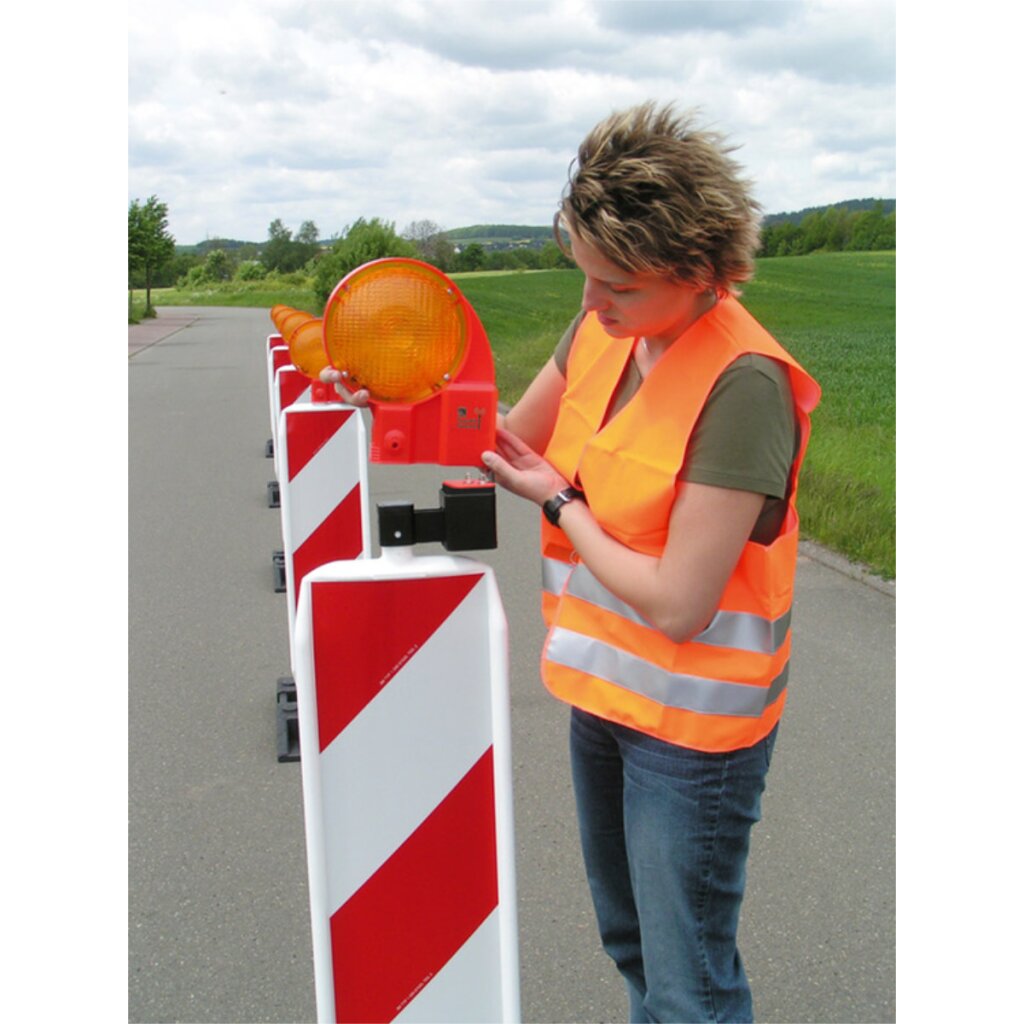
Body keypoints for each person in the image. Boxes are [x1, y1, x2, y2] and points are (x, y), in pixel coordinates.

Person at [479, 102, 821, 1023]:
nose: (592, 303)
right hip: (607, 697)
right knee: (631, 944)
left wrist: (561, 504)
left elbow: (679, 604)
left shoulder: (744, 384)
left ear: (702, 271)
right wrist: (391, 385)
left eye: (618, 285)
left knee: (688, 985)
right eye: (584, 273)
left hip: (693, 736)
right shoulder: (605, 331)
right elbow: (504, 443)